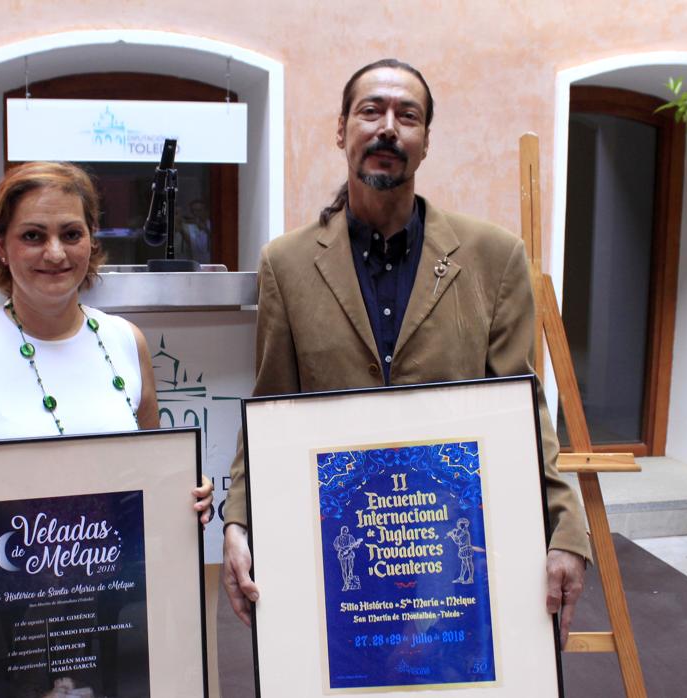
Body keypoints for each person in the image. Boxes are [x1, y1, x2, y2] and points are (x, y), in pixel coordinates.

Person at [220, 59, 591, 646]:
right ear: (341, 130)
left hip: (452, 540)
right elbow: (270, 404)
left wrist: (566, 528)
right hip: (335, 542)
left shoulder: (494, 258)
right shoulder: (286, 265)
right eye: (371, 111)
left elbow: (523, 407)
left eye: (406, 115)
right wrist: (238, 518)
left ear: (425, 142)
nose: (387, 127)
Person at [0, 162, 214, 695]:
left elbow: (155, 473)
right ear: (2, 247)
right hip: (1, 623)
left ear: (91, 244)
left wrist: (187, 496)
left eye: (71, 234)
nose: (55, 253)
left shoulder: (127, 344)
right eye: (33, 236)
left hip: (113, 611)